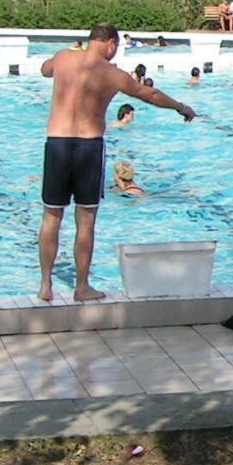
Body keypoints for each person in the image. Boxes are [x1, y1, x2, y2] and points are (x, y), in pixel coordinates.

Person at [37, 23, 196, 302]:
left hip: (57, 143)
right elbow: (150, 95)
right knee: (85, 219)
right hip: (88, 146)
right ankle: (81, 287)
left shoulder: (63, 58)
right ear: (110, 43)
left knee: (52, 216)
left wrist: (61, 60)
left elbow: (44, 69)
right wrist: (180, 107)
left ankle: (45, 285)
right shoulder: (113, 74)